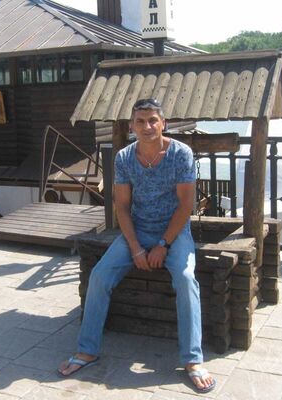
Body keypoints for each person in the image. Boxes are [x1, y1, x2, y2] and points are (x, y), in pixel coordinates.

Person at [58, 98, 216, 393]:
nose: (147, 126)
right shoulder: (124, 158)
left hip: (174, 231)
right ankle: (87, 350)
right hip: (138, 229)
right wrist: (136, 248)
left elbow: (186, 205)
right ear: (132, 126)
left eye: (153, 120)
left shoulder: (180, 153)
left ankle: (192, 360)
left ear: (163, 123)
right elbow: (122, 206)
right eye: (140, 121)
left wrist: (163, 244)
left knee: (185, 279)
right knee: (99, 275)